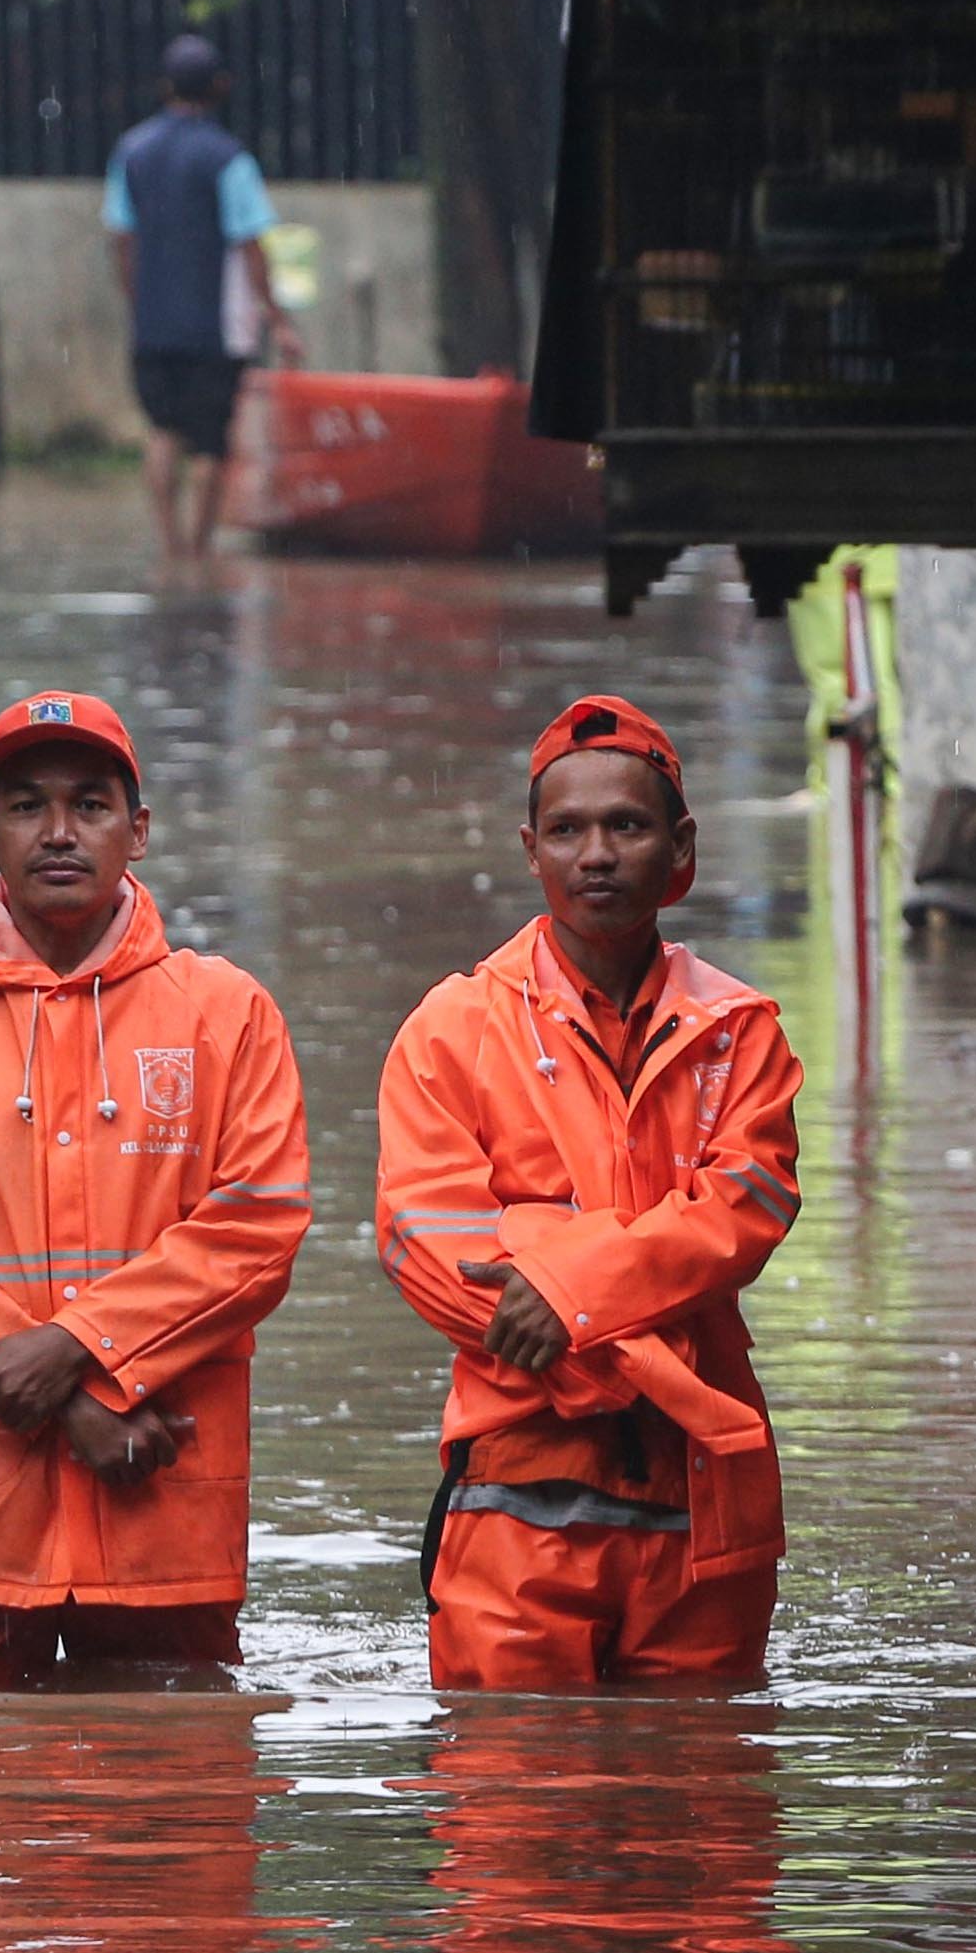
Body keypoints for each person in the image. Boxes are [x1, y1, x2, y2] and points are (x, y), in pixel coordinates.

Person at [0, 690, 313, 1686]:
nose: (58, 832)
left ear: (137, 831)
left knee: (165, 1822)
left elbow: (256, 1231)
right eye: (25, 805)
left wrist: (75, 1352)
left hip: (156, 1506)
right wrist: (77, 1401)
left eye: (90, 804)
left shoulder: (226, 1014)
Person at [373, 694, 808, 1692]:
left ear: (680, 847)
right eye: (567, 831)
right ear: (530, 851)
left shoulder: (742, 1034)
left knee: (701, 1820)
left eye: (627, 825)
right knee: (512, 1824)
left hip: (703, 1509)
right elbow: (428, 1248)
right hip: (518, 1497)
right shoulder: (450, 1029)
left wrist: (558, 1279)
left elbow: (746, 1211)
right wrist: (638, 1321)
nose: (597, 854)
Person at [106, 30, 278, 559]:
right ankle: (199, 552)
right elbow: (250, 245)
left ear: (165, 87)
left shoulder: (130, 151)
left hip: (153, 324)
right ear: (221, 86)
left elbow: (120, 236)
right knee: (208, 443)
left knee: (162, 430)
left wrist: (137, 301)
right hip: (214, 328)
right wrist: (275, 314)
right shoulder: (229, 159)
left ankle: (169, 546)